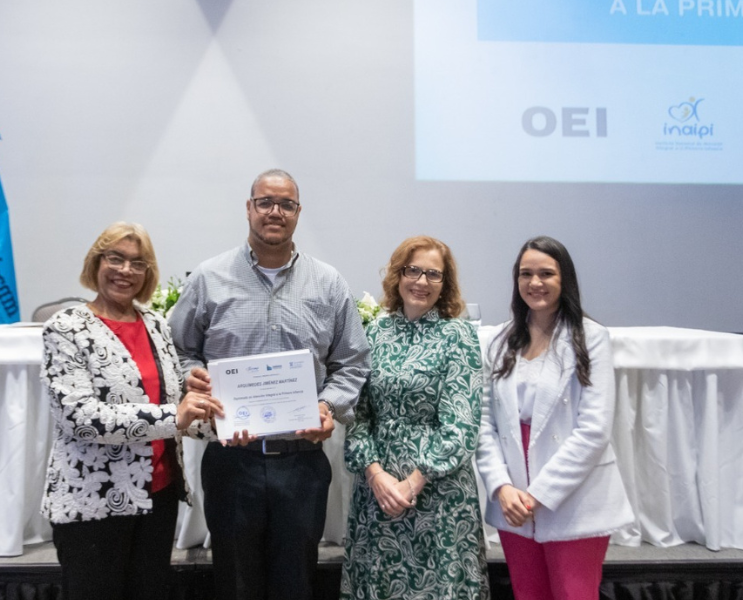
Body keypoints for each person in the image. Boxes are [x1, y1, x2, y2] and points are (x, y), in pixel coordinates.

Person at [168, 168, 371, 600]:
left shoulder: (328, 283)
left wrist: (328, 407)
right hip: (231, 461)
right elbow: (177, 351)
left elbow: (352, 361)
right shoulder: (209, 277)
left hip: (301, 463)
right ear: (249, 209)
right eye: (265, 202)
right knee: (235, 583)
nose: (275, 212)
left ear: (298, 213)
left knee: (296, 583)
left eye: (286, 204)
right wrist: (193, 376)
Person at [41, 222, 225, 600]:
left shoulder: (156, 324)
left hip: (156, 496)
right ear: (96, 263)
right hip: (93, 501)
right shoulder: (66, 328)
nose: (126, 271)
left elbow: (176, 405)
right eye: (116, 259)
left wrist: (228, 425)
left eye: (138, 263)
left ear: (148, 273)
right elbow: (82, 418)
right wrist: (175, 417)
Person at [475, 236, 634, 600]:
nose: (535, 283)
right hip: (513, 498)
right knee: (528, 594)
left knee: (573, 594)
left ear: (565, 280)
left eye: (546, 273)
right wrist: (501, 487)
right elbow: (484, 424)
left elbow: (594, 430)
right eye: (526, 274)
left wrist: (539, 495)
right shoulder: (499, 340)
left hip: (572, 499)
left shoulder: (591, 338)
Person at [341, 236, 489, 600]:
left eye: (433, 275)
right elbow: (358, 416)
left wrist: (412, 483)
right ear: (398, 275)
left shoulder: (459, 336)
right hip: (377, 495)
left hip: (436, 496)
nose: (421, 282)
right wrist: (376, 476)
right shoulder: (374, 333)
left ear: (445, 284)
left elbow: (461, 424)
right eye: (413, 271)